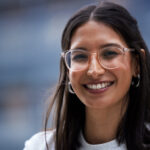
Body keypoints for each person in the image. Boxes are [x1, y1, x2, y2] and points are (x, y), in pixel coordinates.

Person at [23, 1, 150, 150]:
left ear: (136, 64)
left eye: (109, 53)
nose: (94, 71)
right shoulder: (41, 146)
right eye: (80, 56)